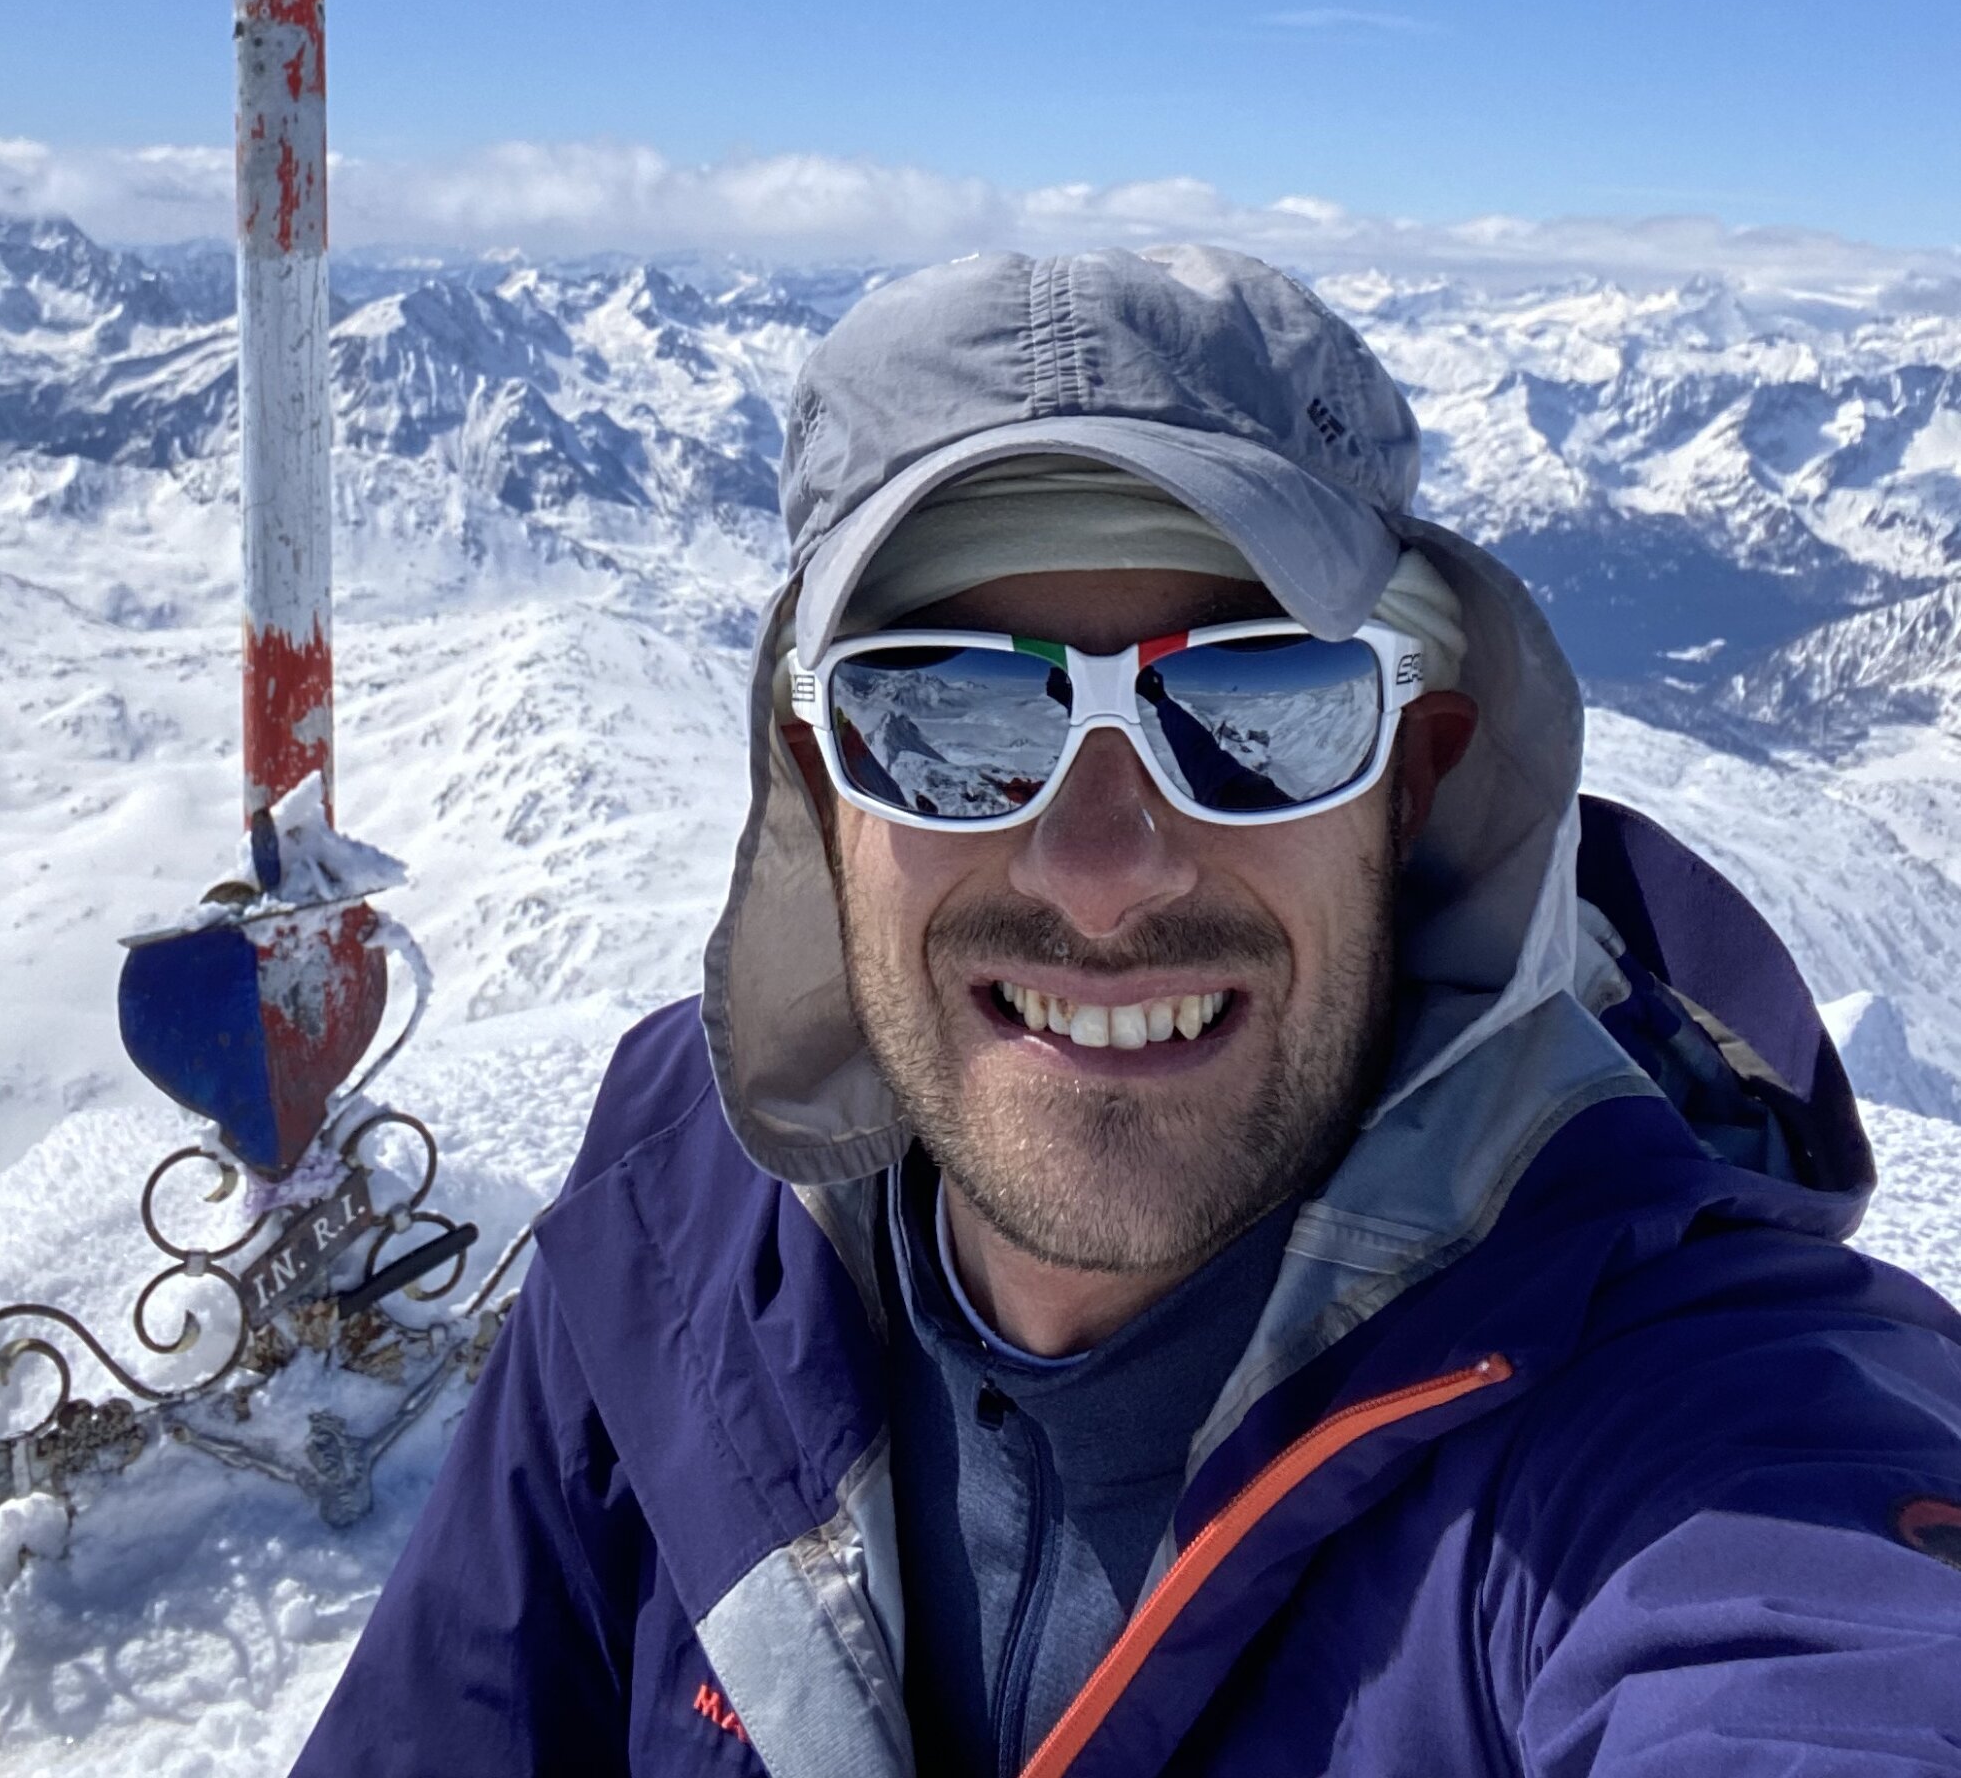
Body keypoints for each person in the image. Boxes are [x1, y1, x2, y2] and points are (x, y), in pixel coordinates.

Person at [294, 247, 1961, 1776]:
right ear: (824, 786)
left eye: (1254, 705)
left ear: (1408, 782)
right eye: (947, 718)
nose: (1101, 872)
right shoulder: (679, 1202)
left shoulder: (1691, 1418)